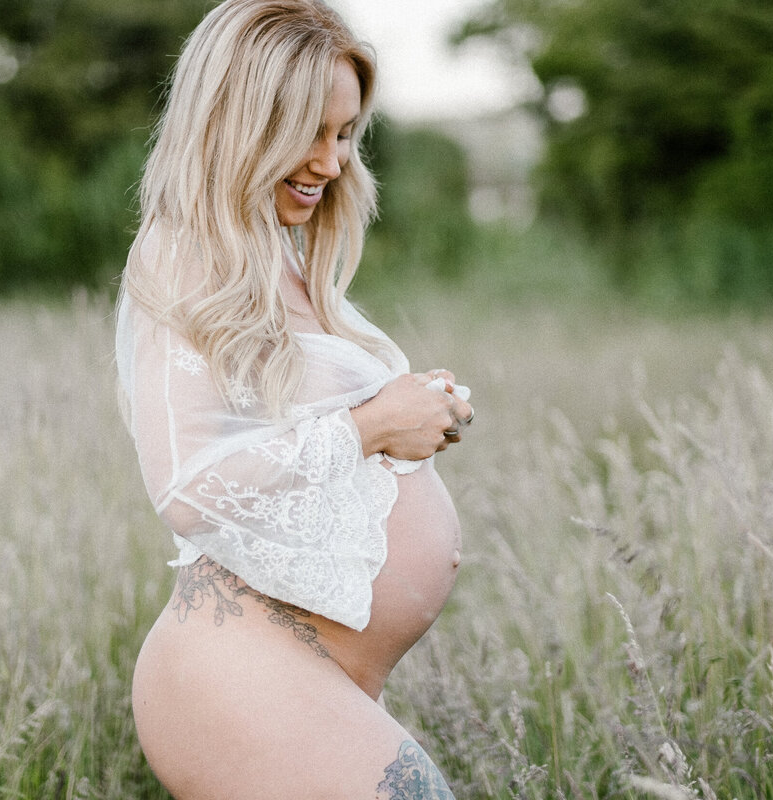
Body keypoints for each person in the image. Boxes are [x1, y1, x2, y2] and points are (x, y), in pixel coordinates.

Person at [115, 1, 474, 796]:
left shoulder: (275, 256)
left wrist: (414, 409)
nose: (333, 161)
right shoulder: (182, 251)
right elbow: (185, 487)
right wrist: (375, 423)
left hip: (309, 669)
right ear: (240, 123)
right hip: (238, 667)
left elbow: (295, 427)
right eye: (309, 132)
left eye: (345, 134)